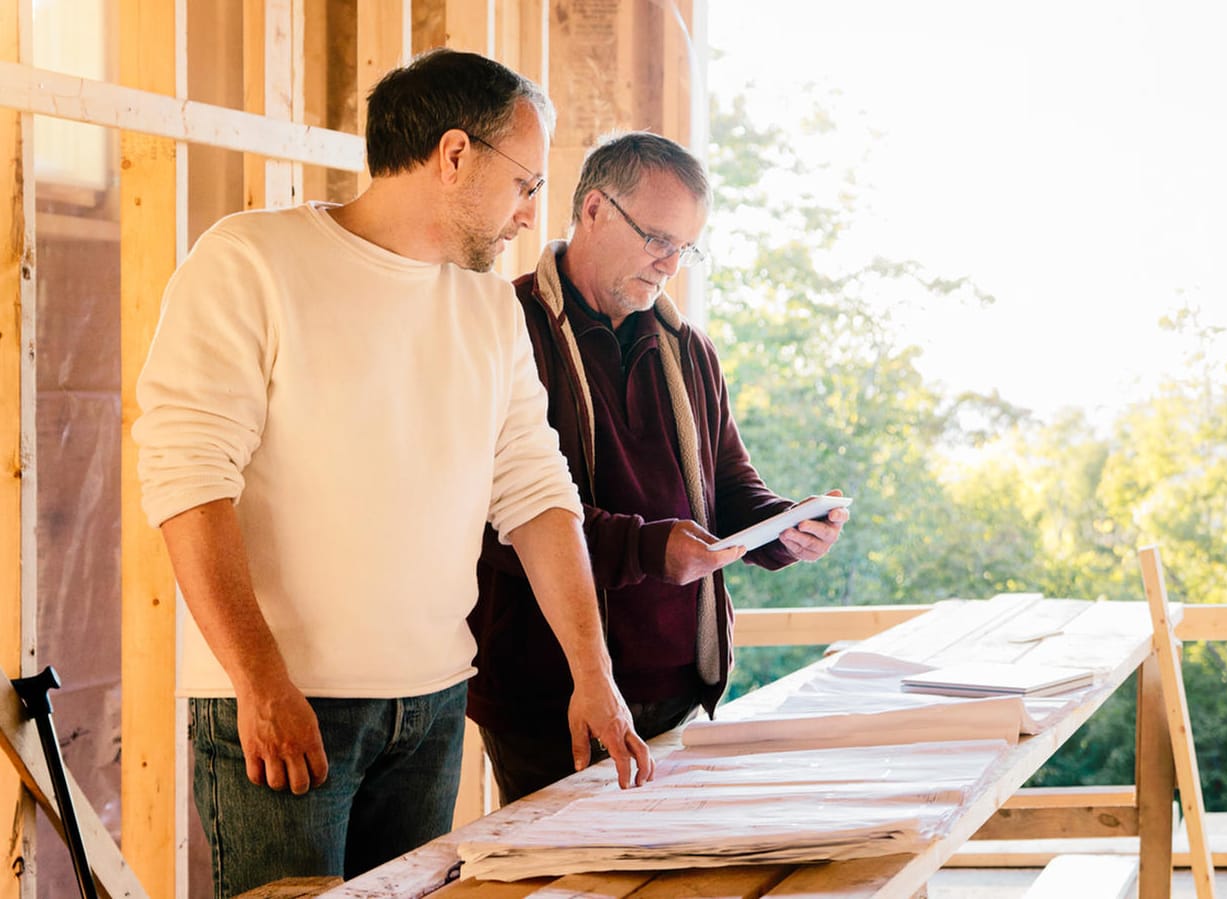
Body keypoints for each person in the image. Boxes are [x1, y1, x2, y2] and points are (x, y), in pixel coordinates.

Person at [132, 49, 651, 896]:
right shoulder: (250, 261)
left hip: (435, 705)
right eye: (525, 182)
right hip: (285, 702)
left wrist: (592, 674)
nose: (532, 213)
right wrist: (259, 681)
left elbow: (536, 491)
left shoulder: (487, 306)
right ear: (454, 156)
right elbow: (187, 479)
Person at [467, 131, 850, 803]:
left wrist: (781, 526)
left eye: (685, 247)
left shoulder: (688, 348)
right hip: (548, 694)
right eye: (656, 238)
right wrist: (648, 548)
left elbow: (727, 488)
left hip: (680, 687)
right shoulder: (506, 328)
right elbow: (493, 513)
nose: (671, 263)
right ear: (593, 211)